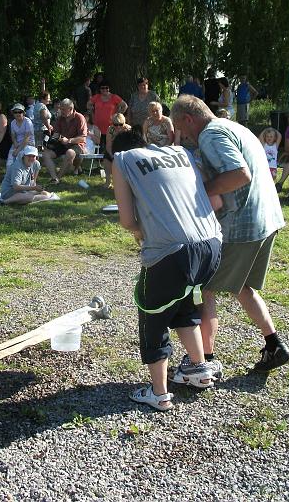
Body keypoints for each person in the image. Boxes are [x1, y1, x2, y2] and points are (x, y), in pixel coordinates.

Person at [171, 95, 289, 376]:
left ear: (189, 118)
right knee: (242, 287)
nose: (183, 135)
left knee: (206, 289)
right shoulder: (235, 127)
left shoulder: (211, 135)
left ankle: (204, 361)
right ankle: (274, 345)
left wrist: (202, 193)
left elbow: (240, 174)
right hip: (266, 219)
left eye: (181, 127)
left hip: (242, 226)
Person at [112, 129, 222, 411]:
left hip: (171, 252)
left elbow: (126, 219)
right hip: (211, 244)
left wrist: (140, 231)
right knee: (184, 304)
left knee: (153, 316)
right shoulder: (179, 152)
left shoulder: (122, 159)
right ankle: (199, 370)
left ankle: (159, 393)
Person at [43, 98, 87, 184]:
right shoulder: (60, 118)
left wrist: (69, 140)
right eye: (60, 108)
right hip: (62, 143)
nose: (60, 110)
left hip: (76, 144)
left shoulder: (80, 118)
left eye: (63, 109)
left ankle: (58, 178)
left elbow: (83, 137)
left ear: (70, 109)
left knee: (70, 153)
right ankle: (54, 177)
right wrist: (54, 137)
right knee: (45, 154)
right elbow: (56, 133)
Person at [90, 82, 123, 147]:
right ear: (100, 89)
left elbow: (125, 106)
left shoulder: (114, 97)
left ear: (109, 88)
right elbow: (88, 104)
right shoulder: (96, 97)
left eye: (106, 87)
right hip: (97, 126)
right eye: (102, 88)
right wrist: (92, 112)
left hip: (111, 127)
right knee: (99, 148)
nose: (105, 89)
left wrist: (118, 116)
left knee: (110, 146)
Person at [103, 112, 132, 188]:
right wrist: (112, 155)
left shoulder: (128, 129)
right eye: (116, 124)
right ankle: (108, 181)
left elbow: (132, 145)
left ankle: (127, 183)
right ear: (113, 123)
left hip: (125, 151)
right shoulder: (110, 129)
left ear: (124, 123)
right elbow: (108, 144)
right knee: (106, 158)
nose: (118, 127)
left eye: (120, 124)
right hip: (113, 149)